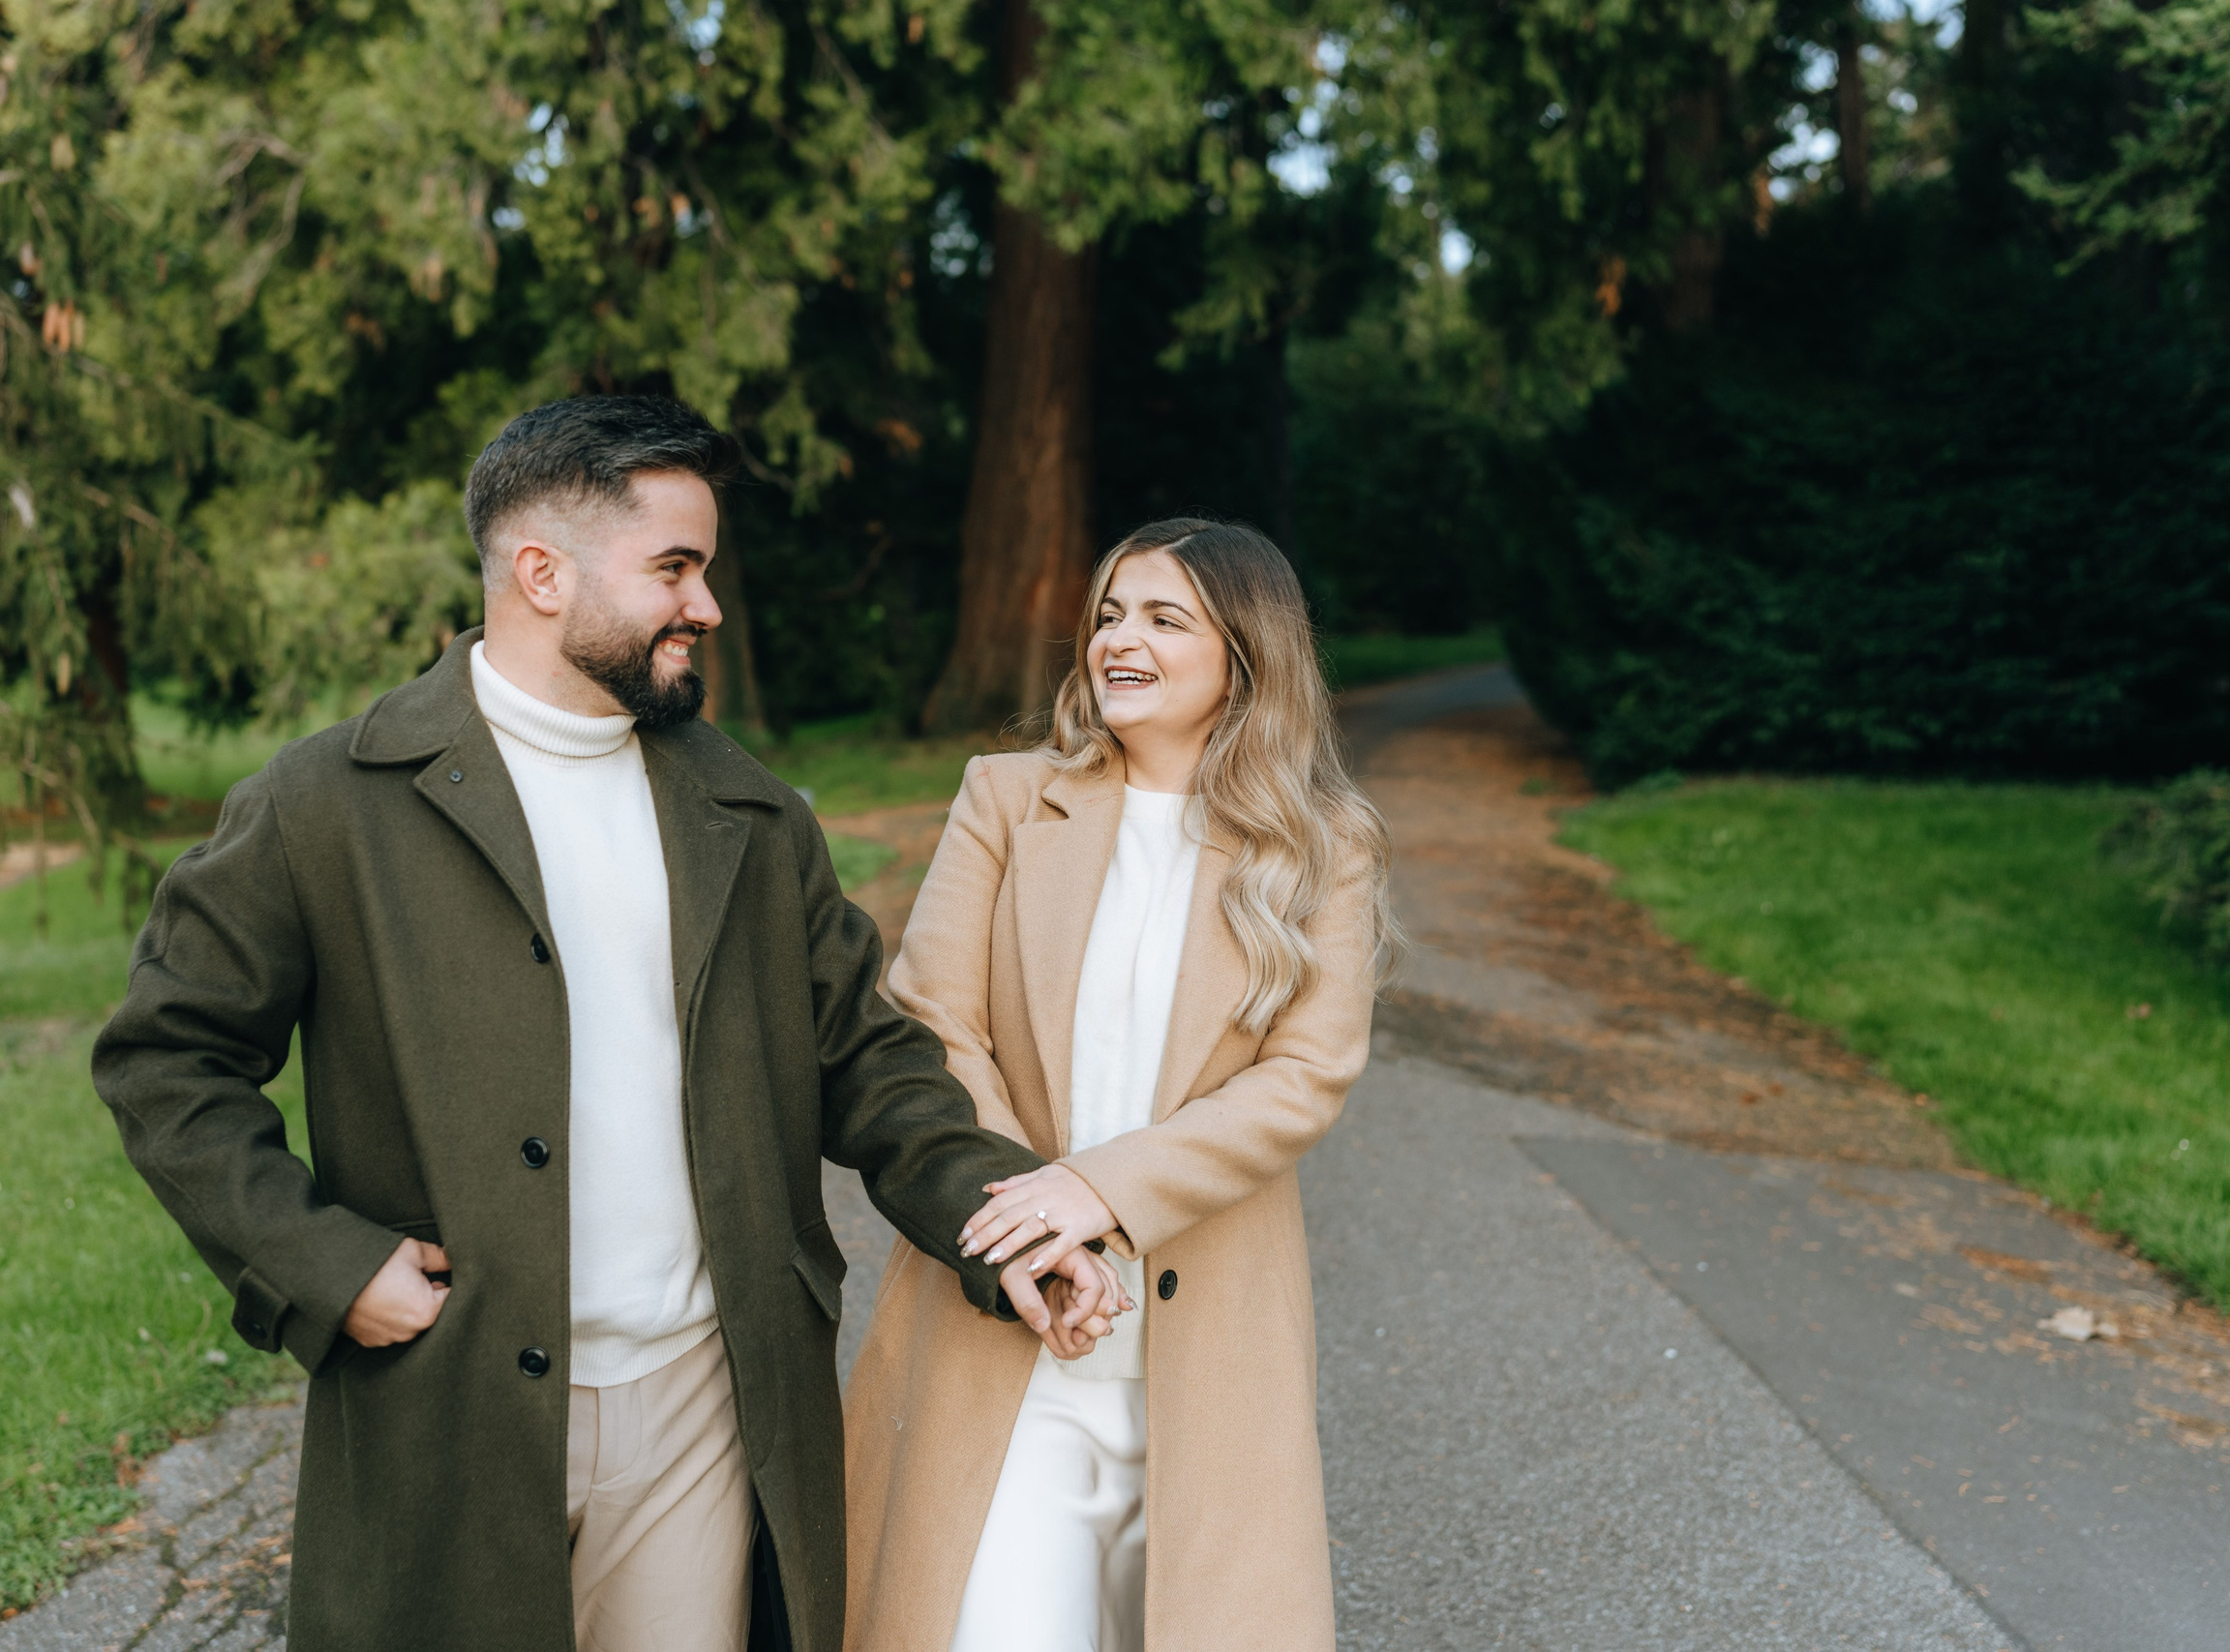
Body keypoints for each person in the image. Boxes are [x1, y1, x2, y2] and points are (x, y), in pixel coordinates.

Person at [92, 395, 1123, 1652]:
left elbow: (868, 1062)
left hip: (705, 1399)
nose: (708, 605)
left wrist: (1004, 1217)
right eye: (674, 569)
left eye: (706, 569)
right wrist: (323, 1262)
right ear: (542, 573)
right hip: (451, 1398)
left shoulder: (751, 812)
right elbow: (166, 1059)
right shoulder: (323, 806)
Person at [841, 519, 1397, 1652]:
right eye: (1108, 614)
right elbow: (935, 1017)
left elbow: (1305, 1075)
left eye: (1162, 618)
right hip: (1012, 1330)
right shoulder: (1006, 797)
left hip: (1207, 1353)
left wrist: (1097, 1191)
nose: (1117, 640)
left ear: (1245, 656)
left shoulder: (1324, 844)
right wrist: (1034, 1225)